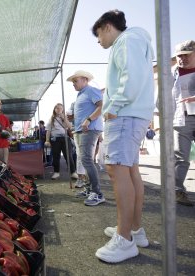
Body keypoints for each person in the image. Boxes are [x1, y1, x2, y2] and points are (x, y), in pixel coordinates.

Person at [92, 10, 154, 263]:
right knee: (130, 171)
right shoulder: (136, 40)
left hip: (125, 115)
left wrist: (113, 108)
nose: (99, 41)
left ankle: (124, 239)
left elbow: (132, 78)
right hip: (133, 114)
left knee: (117, 170)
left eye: (98, 35)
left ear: (107, 27)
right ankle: (133, 231)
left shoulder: (126, 41)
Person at [67, 70, 104, 206]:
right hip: (81, 130)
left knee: (87, 160)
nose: (73, 84)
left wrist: (88, 119)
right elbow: (87, 111)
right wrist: (74, 118)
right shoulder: (81, 94)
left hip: (90, 129)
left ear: (85, 79)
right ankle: (89, 189)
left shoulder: (91, 90)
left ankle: (97, 193)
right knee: (85, 160)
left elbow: (102, 106)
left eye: (75, 81)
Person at [171, 40, 195, 207]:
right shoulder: (173, 72)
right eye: (179, 56)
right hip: (182, 118)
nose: (182, 59)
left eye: (187, 55)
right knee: (181, 156)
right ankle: (177, 191)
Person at [44, 103, 77, 180]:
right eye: (57, 108)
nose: (59, 110)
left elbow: (70, 127)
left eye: (60, 108)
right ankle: (56, 172)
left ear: (63, 110)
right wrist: (47, 140)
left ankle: (73, 172)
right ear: (54, 109)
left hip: (65, 138)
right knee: (56, 156)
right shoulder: (51, 119)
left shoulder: (65, 117)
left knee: (68, 156)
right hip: (55, 139)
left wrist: (64, 118)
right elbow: (48, 131)